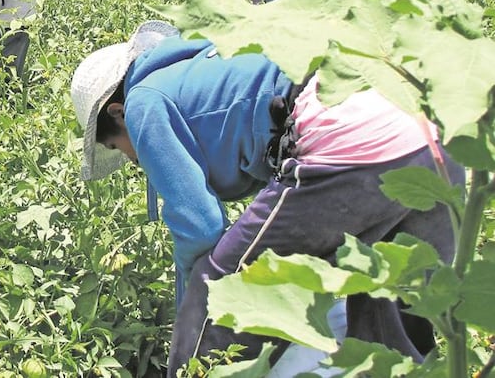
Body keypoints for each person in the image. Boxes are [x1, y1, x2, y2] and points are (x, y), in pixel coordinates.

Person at [70, 21, 463, 376]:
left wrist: (189, 308)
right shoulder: (203, 62)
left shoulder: (144, 103)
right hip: (432, 132)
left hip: (351, 143)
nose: (130, 158)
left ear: (118, 113)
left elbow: (200, 227)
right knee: (390, 314)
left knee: (224, 290)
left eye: (118, 147)